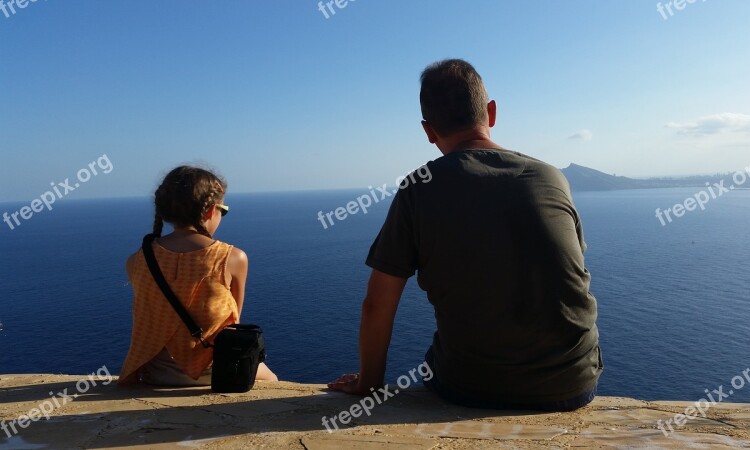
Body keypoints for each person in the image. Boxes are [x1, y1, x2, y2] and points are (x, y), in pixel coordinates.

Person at [328, 59, 602, 411]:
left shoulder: (418, 188)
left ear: (428, 131)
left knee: (435, 359)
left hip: (471, 387)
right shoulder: (550, 178)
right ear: (491, 112)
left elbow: (377, 304)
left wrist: (369, 384)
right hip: (572, 385)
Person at [119, 166, 278, 386]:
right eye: (224, 210)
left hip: (155, 373)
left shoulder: (137, 260)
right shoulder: (232, 258)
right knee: (273, 380)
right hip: (217, 372)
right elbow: (234, 323)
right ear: (210, 211)